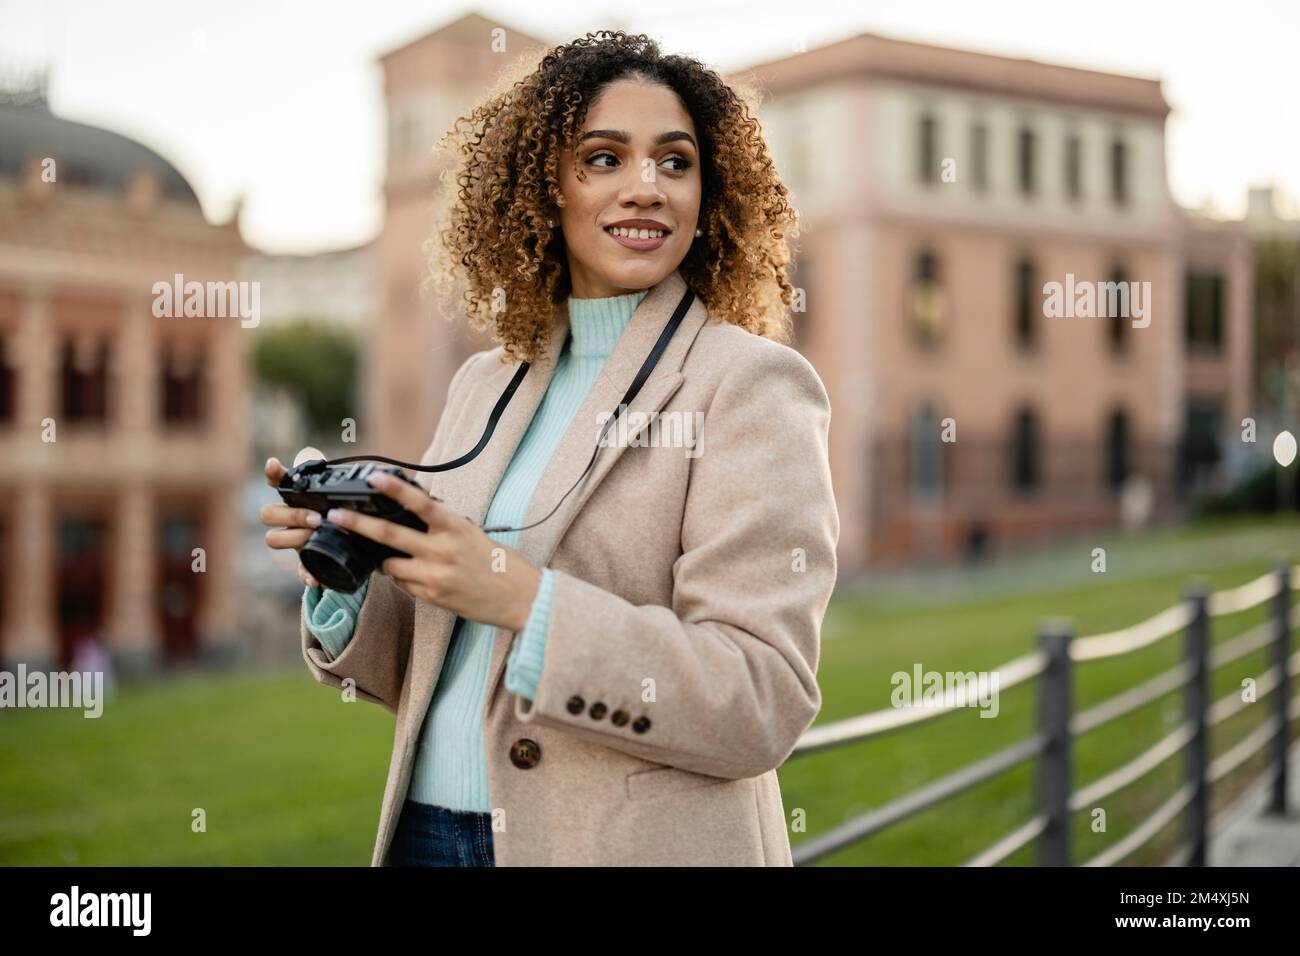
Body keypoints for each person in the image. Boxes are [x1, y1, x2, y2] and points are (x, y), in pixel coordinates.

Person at [259, 30, 838, 866]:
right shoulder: (484, 384)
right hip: (425, 834)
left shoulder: (751, 385)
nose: (646, 188)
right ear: (544, 189)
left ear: (708, 194)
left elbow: (760, 697)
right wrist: (349, 573)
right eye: (604, 158)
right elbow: (441, 668)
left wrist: (522, 598)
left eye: (675, 163)